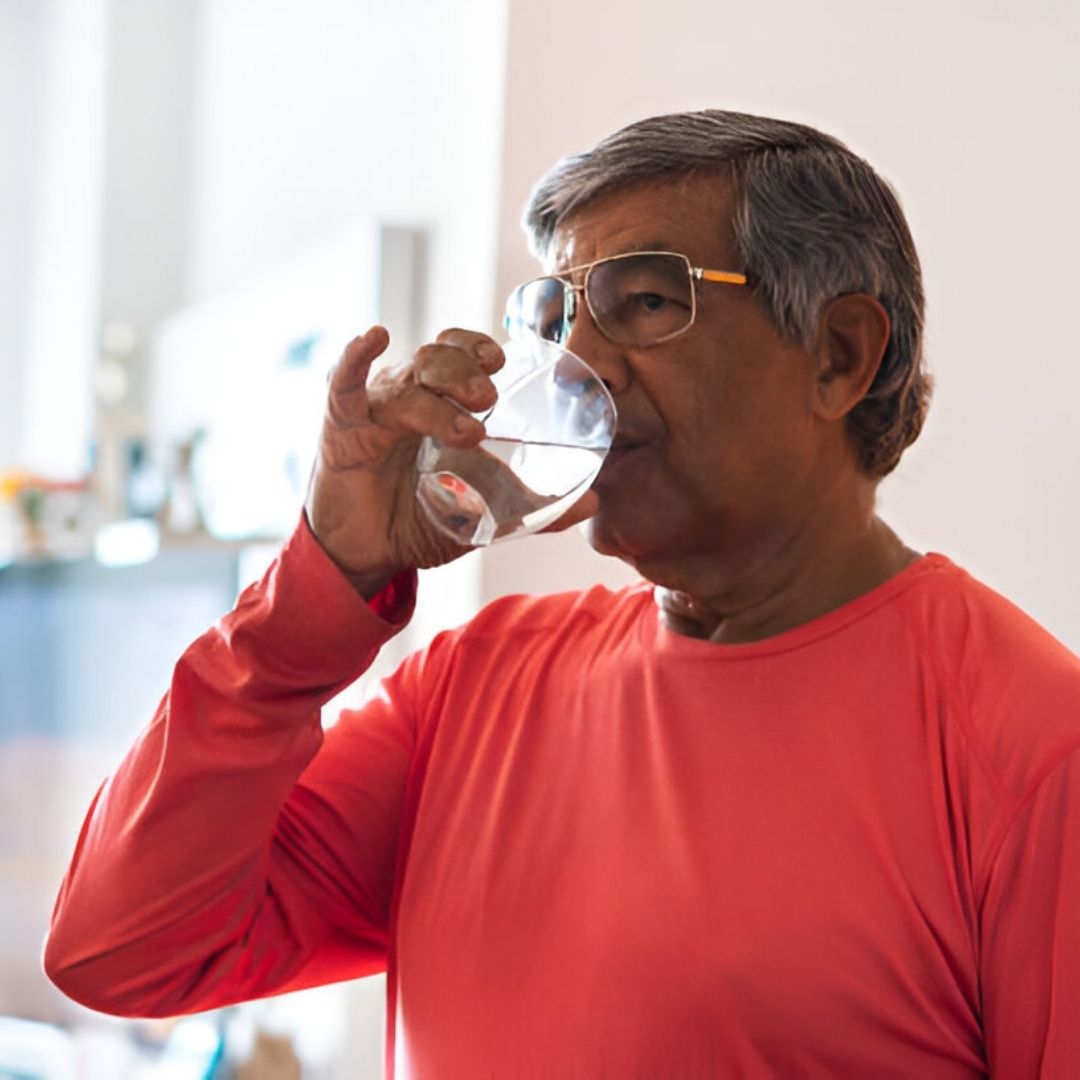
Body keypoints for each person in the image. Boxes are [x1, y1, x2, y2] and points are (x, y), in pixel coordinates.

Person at [44, 110, 1080, 1078]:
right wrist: (328, 577)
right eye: (558, 317)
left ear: (839, 357)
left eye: (647, 303)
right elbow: (124, 952)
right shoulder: (473, 686)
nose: (576, 366)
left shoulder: (1030, 746)